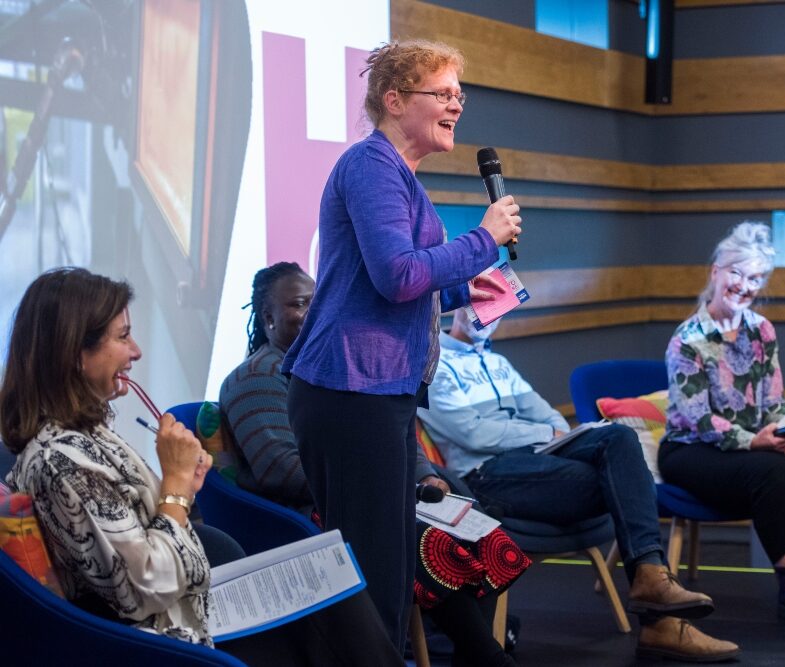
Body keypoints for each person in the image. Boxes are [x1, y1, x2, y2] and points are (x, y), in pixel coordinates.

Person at [0, 268, 403, 666]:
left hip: (187, 610)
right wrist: (174, 484)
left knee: (336, 585)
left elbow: (147, 531)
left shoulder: (87, 436)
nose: (136, 351)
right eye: (122, 337)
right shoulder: (62, 461)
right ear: (75, 354)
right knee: (334, 612)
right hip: (162, 641)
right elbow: (145, 589)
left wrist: (184, 488)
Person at [282, 40, 522, 650]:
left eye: (459, 96)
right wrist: (484, 240)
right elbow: (397, 275)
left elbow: (407, 290)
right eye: (442, 93)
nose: (456, 106)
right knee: (372, 573)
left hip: (377, 390)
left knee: (386, 570)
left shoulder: (399, 177)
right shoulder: (370, 165)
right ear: (394, 100)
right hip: (349, 388)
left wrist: (471, 290)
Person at [221, 262, 529, 667]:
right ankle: (482, 653)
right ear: (268, 318)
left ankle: (471, 649)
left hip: (371, 491)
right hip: (305, 515)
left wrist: (425, 476)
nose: (314, 311)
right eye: (299, 304)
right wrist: (381, 481)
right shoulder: (256, 377)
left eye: (319, 301)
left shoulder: (335, 364)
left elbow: (392, 432)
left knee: (473, 526)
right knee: (421, 537)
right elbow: (282, 469)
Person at [418, 307, 741, 663]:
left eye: (495, 311)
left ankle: (652, 579)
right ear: (459, 305)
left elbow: (550, 414)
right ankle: (659, 618)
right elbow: (473, 432)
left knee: (618, 437)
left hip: (543, 460)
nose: (486, 317)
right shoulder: (434, 361)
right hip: (488, 475)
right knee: (625, 482)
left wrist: (550, 434)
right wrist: (545, 434)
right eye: (478, 305)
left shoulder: (498, 363)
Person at [659, 222, 785, 626]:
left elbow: (773, 402)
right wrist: (757, 442)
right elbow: (700, 421)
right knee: (775, 472)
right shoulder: (687, 340)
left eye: (756, 278)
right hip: (691, 449)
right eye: (737, 273)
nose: (745, 286)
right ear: (716, 271)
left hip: (753, 444)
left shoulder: (762, 330)